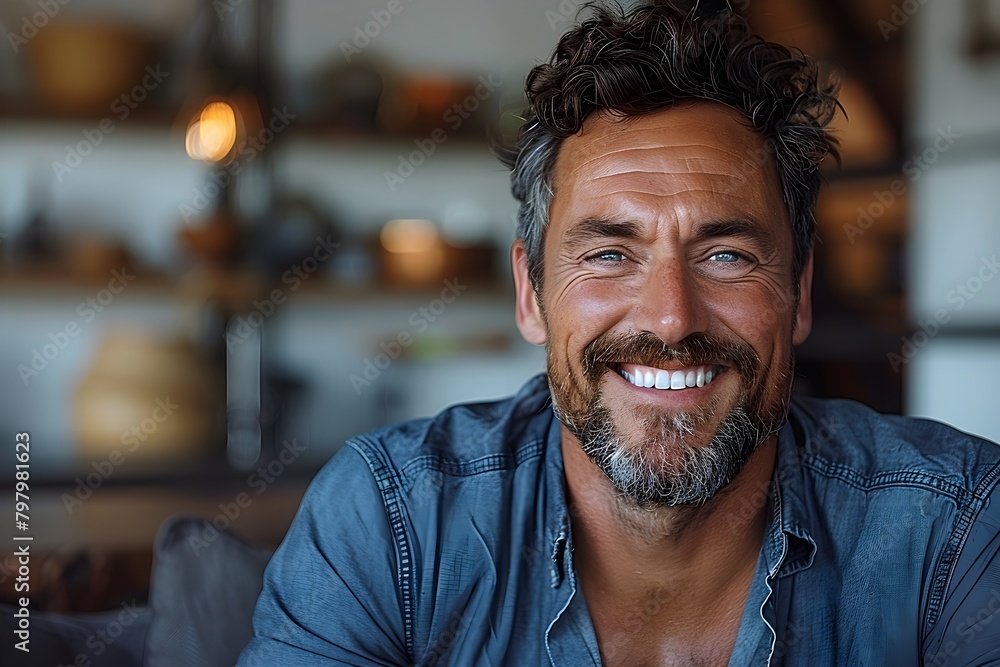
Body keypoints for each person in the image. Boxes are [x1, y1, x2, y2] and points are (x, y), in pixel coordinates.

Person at [239, 3, 1000, 665]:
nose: (671, 317)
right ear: (530, 292)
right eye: (610, 253)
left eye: (726, 254)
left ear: (798, 295)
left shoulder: (954, 527)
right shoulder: (392, 520)